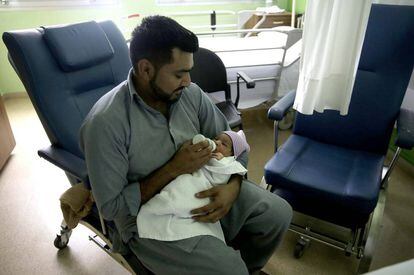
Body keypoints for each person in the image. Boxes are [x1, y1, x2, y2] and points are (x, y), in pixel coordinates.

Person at [80, 15, 292, 275]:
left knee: (277, 214)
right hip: (151, 218)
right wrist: (173, 169)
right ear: (146, 70)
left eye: (189, 71)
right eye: (179, 73)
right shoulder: (105, 124)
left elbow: (230, 141)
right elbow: (112, 208)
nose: (189, 81)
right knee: (229, 270)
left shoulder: (189, 95)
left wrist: (234, 188)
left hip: (204, 187)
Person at [137, 131, 250, 243]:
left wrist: (219, 161)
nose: (217, 142)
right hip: (190, 177)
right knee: (178, 187)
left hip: (205, 185)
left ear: (232, 154)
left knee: (183, 193)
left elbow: (223, 175)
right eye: (216, 138)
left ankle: (169, 206)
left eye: (224, 144)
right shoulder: (211, 150)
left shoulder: (227, 161)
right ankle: (163, 205)